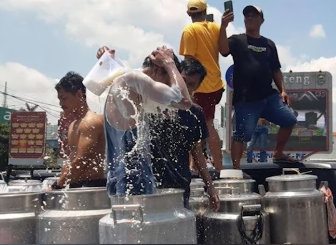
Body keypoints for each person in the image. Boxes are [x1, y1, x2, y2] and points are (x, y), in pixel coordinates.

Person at [101, 46, 192, 196]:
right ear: (157, 70)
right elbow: (184, 101)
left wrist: (107, 61)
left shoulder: (127, 82)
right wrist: (170, 64)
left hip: (122, 179)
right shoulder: (135, 79)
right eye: (167, 82)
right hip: (131, 180)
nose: (167, 87)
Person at [218, 5, 298, 169]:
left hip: (269, 97)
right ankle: (236, 171)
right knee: (241, 136)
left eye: (254, 15)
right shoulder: (237, 40)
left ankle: (278, 153)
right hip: (246, 100)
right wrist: (223, 26)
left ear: (262, 20)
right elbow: (223, 50)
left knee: (289, 119)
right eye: (247, 15)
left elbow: (276, 69)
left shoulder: (269, 44)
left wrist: (283, 90)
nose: (249, 17)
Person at [148, 58, 219, 210]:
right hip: (150, 187)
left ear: (198, 87)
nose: (185, 87)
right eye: (183, 81)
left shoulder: (195, 113)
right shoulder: (151, 104)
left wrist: (210, 188)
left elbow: (198, 152)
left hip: (180, 187)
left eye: (192, 85)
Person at [179, 0, 224, 171]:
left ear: (189, 14)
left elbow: (188, 61)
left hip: (199, 86)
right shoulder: (214, 28)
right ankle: (199, 165)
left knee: (203, 124)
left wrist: (185, 87)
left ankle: (213, 167)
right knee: (204, 123)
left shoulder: (189, 30)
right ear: (205, 11)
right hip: (216, 84)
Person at [52, 71, 106, 189]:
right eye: (59, 99)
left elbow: (81, 160)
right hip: (75, 185)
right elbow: (72, 158)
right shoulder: (74, 124)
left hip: (92, 186)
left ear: (79, 94)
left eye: (64, 98)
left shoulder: (90, 122)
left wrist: (57, 185)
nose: (61, 103)